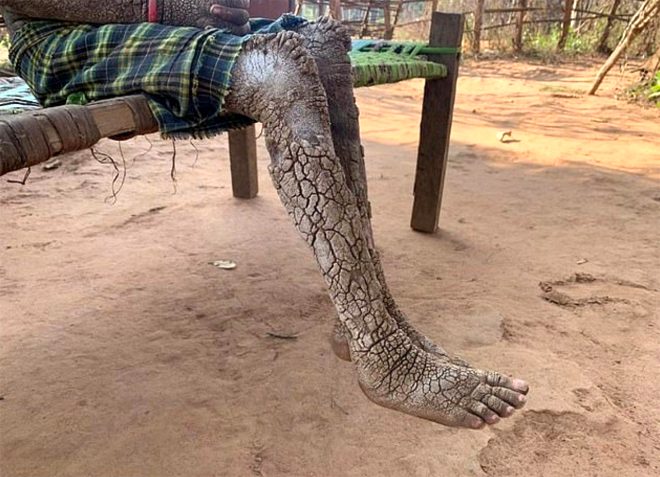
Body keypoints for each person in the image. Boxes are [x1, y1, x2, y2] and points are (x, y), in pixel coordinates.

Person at [1, 0, 528, 428]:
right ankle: (381, 352)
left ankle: (366, 320)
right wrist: (160, 8)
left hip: (154, 25)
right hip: (61, 37)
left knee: (321, 45)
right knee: (278, 71)